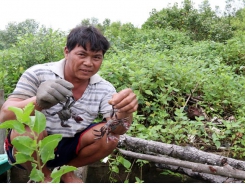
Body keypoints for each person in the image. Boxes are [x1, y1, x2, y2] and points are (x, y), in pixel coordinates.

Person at [0, 25, 138, 183]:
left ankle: (66, 171)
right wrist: (38, 102)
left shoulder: (104, 88)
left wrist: (125, 112)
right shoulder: (38, 73)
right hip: (31, 148)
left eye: (96, 57)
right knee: (26, 128)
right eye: (82, 54)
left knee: (111, 136)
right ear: (66, 51)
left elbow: (117, 129)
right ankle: (44, 176)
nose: (88, 63)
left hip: (70, 148)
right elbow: (5, 116)